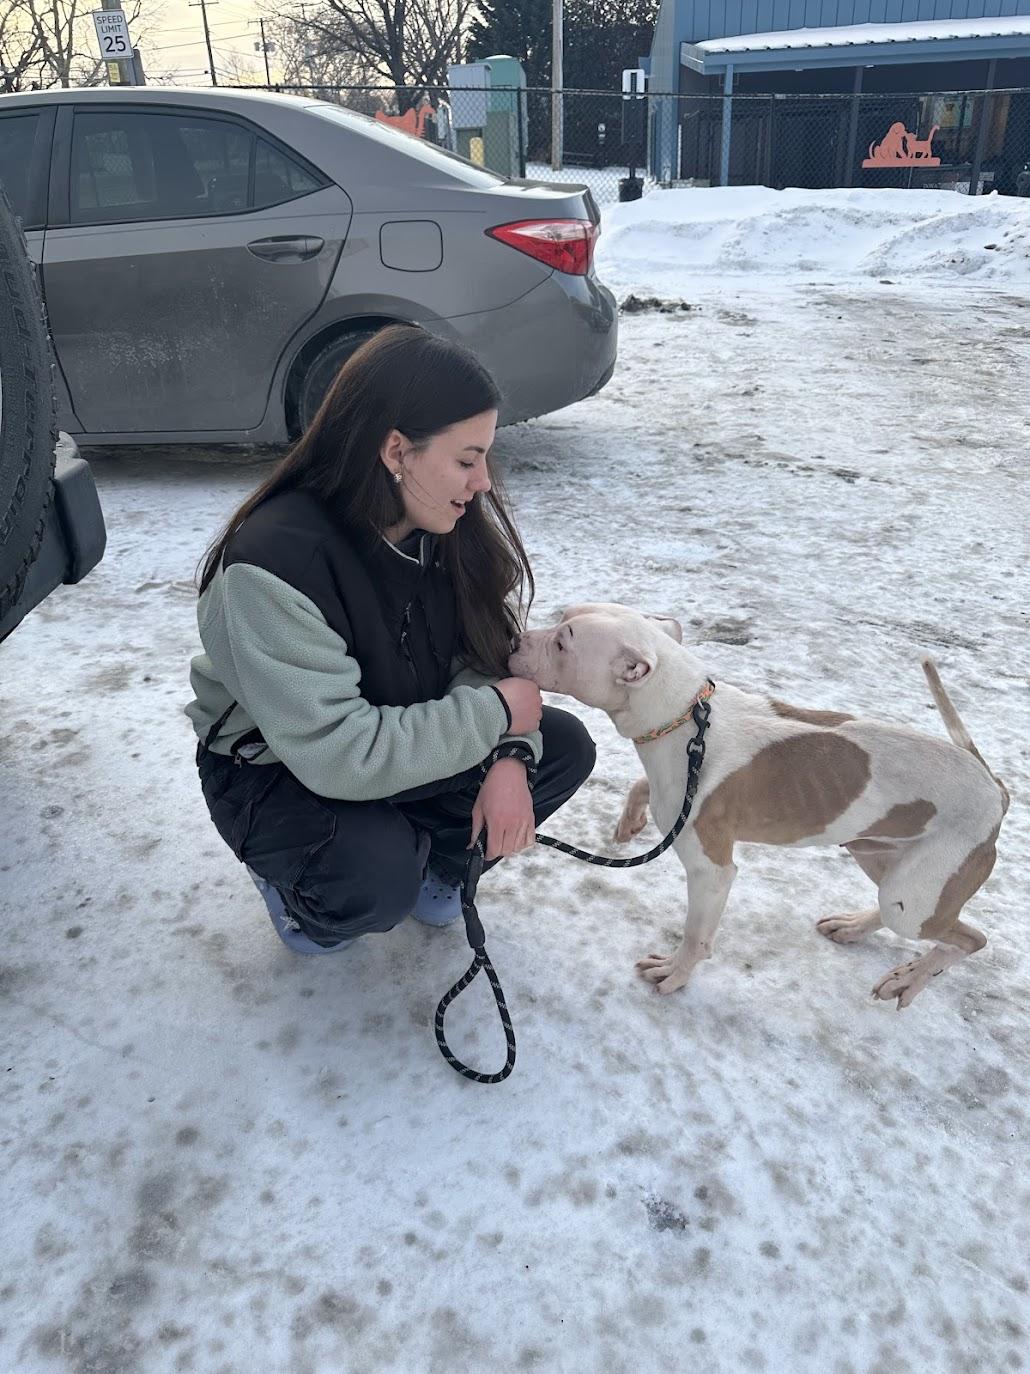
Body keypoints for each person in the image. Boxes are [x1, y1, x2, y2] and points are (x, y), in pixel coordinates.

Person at [185, 325, 595, 954]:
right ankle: (305, 899)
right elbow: (338, 753)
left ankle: (438, 865)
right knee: (373, 877)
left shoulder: (443, 526)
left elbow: (483, 659)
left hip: (397, 731)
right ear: (397, 451)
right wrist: (495, 715)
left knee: (561, 746)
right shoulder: (271, 569)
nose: (483, 481)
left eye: (486, 455)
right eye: (466, 459)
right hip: (277, 767)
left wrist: (510, 754)